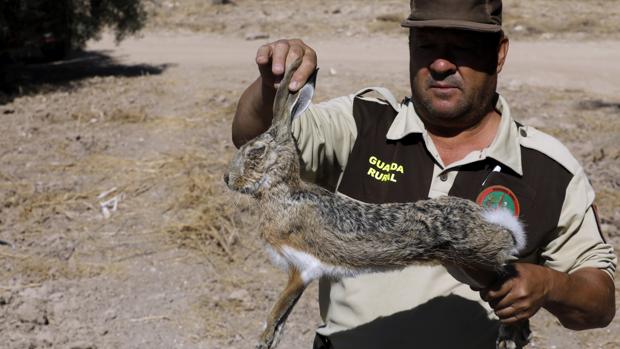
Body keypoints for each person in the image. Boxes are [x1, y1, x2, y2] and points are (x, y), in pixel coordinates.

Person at [232, 0, 617, 348]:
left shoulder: (546, 166)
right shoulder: (362, 123)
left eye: (461, 47)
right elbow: (256, 138)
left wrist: (550, 285)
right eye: (427, 45)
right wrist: (272, 86)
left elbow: (598, 304)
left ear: (498, 53)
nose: (440, 64)